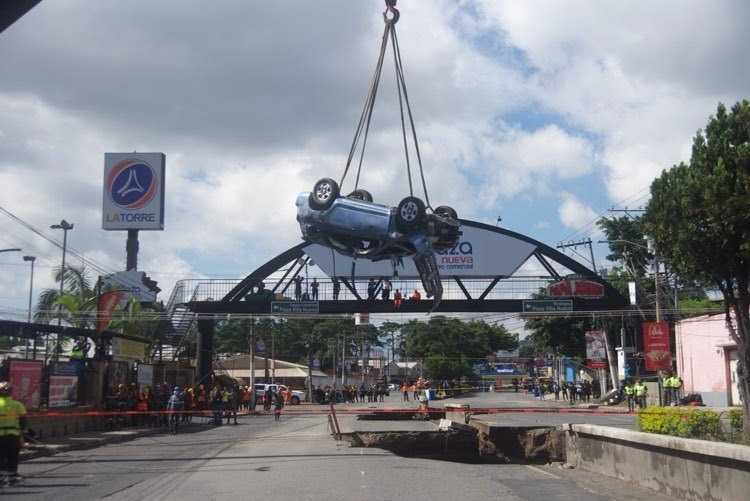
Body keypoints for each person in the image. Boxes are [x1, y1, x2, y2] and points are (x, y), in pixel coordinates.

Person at [0, 381, 26, 486]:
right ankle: (12, 479)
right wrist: (21, 432)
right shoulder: (17, 405)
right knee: (12, 458)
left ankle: (1, 479)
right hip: (13, 436)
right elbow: (23, 422)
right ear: (11, 392)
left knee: (0, 458)